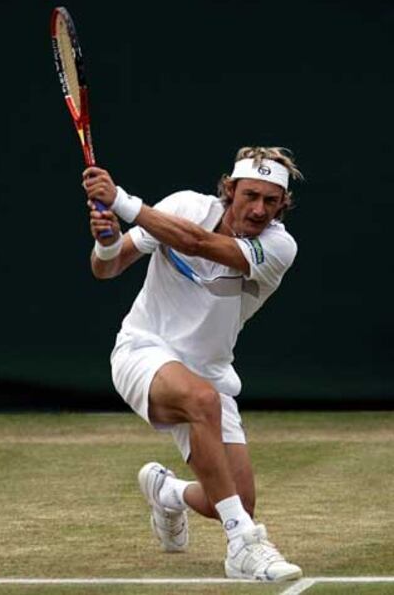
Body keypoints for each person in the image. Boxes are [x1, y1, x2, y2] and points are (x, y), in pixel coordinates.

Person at [83, 146, 303, 582]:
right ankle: (244, 546)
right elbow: (105, 269)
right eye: (250, 195)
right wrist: (107, 243)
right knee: (201, 401)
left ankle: (168, 492)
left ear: (282, 206)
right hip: (142, 352)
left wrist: (122, 201)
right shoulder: (184, 206)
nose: (258, 209)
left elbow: (198, 242)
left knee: (234, 498)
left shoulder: (279, 246)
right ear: (230, 189)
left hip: (210, 375)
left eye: (270, 201)